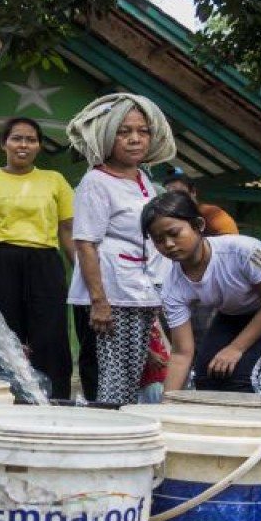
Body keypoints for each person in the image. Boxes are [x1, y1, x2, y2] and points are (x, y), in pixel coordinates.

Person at [66, 93, 176, 405]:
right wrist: (99, 302)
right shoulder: (96, 182)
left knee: (132, 377)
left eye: (142, 132)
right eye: (124, 132)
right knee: (115, 379)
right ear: (107, 135)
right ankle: (107, 438)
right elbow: (85, 243)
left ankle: (121, 438)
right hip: (113, 296)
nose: (134, 139)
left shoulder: (142, 178)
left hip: (139, 292)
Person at [0, 117, 75, 398]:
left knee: (50, 337)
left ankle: (54, 400)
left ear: (39, 146)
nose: (24, 145)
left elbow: (68, 231)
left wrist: (84, 276)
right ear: (4, 144)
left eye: (31, 139)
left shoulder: (55, 181)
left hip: (45, 263)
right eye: (17, 138)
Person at [144, 192, 261, 393]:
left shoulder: (244, 251)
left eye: (174, 233)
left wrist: (236, 349)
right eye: (159, 240)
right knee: (205, 375)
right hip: (234, 311)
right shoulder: (172, 285)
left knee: (242, 374)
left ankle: (252, 424)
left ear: (198, 225)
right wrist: (165, 409)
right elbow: (182, 353)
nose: (168, 244)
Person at [159, 165, 239, 235]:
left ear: (193, 191)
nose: (175, 198)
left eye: (179, 193)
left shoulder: (211, 213)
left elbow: (231, 240)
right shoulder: (170, 218)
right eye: (169, 195)